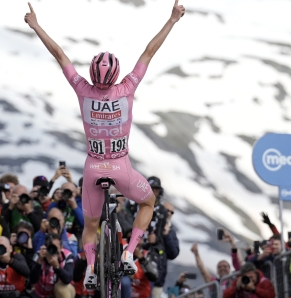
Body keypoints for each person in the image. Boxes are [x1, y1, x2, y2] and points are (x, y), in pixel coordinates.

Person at [23, 0, 185, 288]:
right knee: (148, 202)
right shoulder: (128, 87)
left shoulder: (82, 89)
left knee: (91, 226)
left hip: (94, 169)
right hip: (121, 168)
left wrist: (36, 25)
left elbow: (59, 54)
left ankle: (89, 270)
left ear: (93, 74)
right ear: (115, 75)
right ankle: (129, 251)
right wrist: (172, 20)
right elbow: (149, 51)